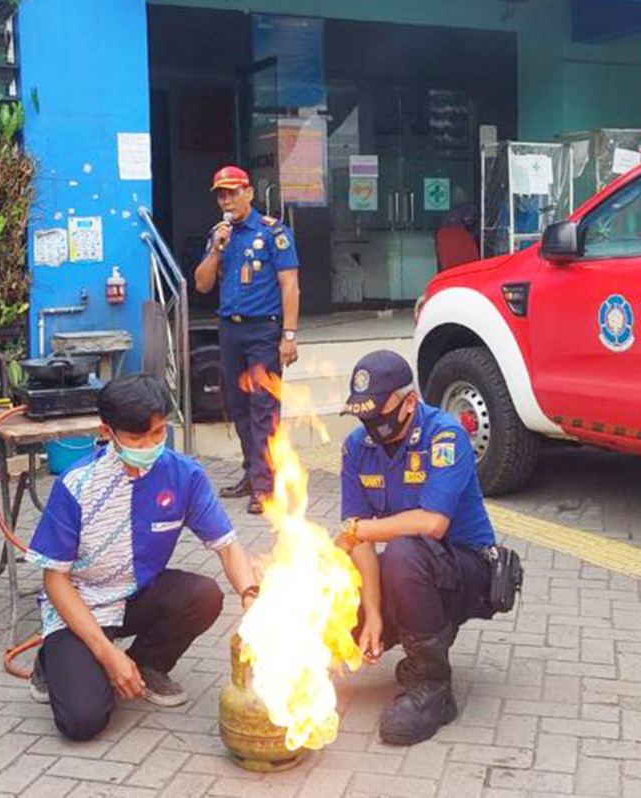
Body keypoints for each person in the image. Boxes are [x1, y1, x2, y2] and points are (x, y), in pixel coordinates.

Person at [25, 375, 260, 740]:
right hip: (80, 603)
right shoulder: (75, 485)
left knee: (204, 594)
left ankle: (148, 665)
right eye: (136, 438)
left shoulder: (184, 475)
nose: (150, 446)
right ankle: (50, 660)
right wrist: (105, 654)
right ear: (108, 432)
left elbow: (228, 546)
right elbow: (54, 579)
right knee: (83, 722)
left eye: (158, 433)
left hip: (136, 594)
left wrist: (251, 596)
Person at [333, 350, 498, 746]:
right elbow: (359, 543)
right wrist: (372, 613)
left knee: (406, 551)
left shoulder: (445, 435)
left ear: (409, 402)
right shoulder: (356, 448)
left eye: (379, 414)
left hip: (466, 569)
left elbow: (432, 523)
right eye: (363, 416)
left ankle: (432, 688)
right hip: (406, 569)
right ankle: (396, 634)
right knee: (337, 609)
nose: (370, 425)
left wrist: (364, 529)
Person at [193, 165, 300, 515]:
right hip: (231, 330)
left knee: (263, 409)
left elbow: (289, 285)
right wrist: (216, 251)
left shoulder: (273, 233)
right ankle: (251, 474)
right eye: (221, 194)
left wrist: (289, 335)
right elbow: (202, 284)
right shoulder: (218, 235)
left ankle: (265, 486)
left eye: (233, 192)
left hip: (263, 331)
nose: (227, 200)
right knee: (237, 406)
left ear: (249, 193)